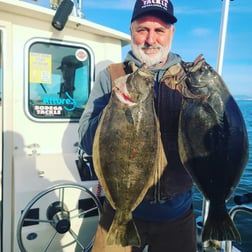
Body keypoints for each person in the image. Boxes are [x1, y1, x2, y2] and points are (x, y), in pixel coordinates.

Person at [78, 1, 197, 251]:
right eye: (143, 29)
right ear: (131, 31)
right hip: (117, 211)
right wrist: (116, 108)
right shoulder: (110, 76)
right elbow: (87, 140)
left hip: (176, 217)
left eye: (159, 31)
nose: (150, 39)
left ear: (171, 34)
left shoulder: (192, 80)